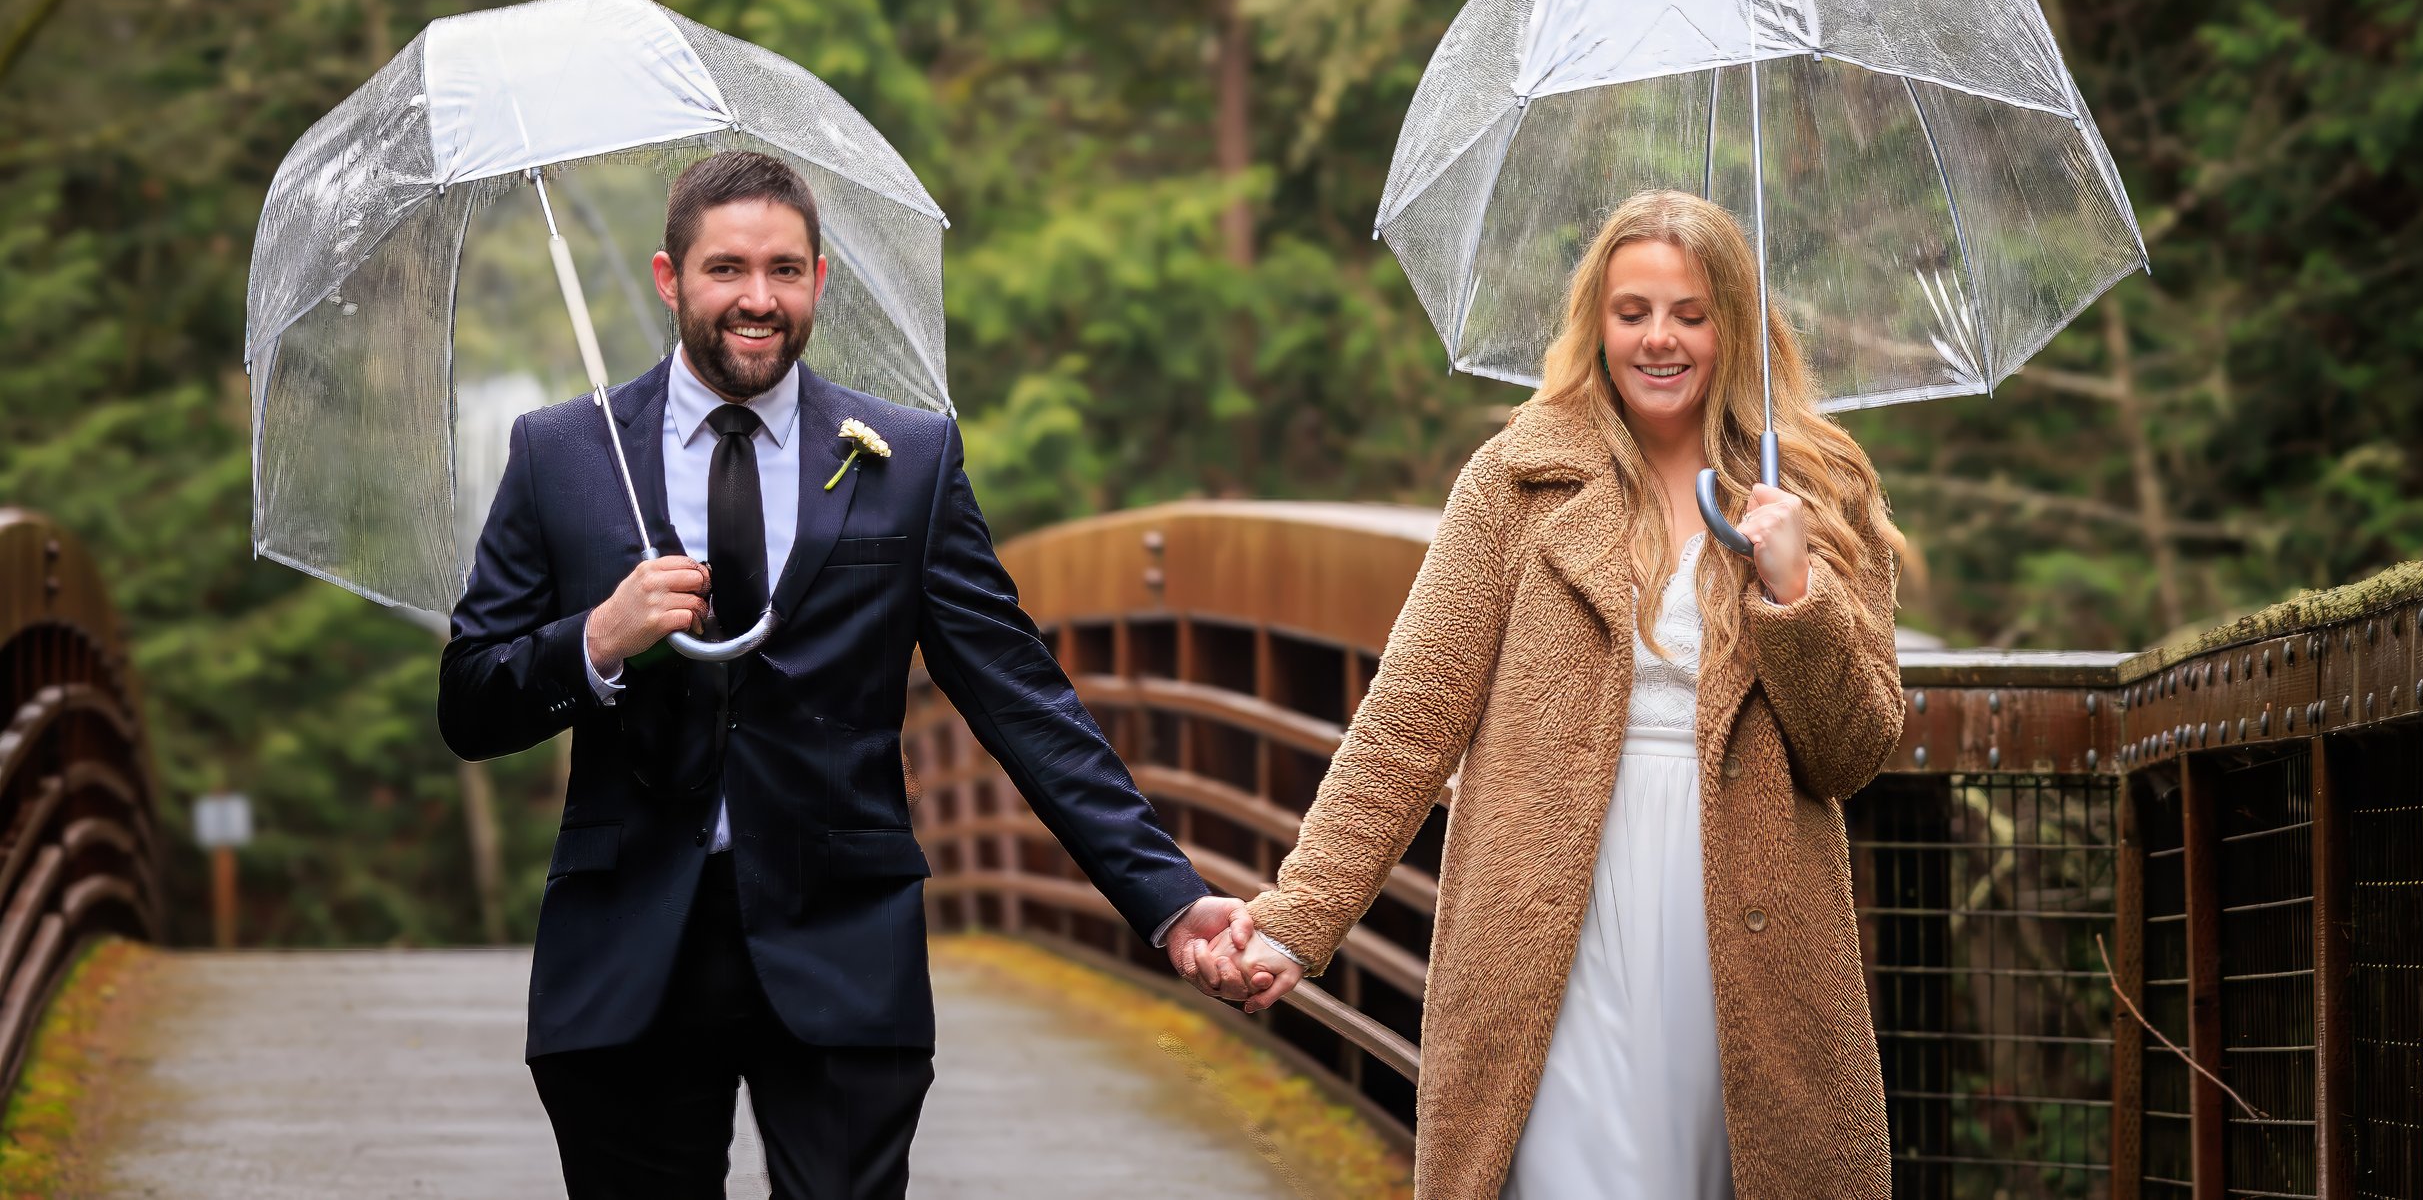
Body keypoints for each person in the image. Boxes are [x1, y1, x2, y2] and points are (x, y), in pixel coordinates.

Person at [440, 150, 1255, 1199]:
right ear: (667, 277)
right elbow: (470, 697)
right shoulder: (561, 451)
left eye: (784, 269)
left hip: (839, 941)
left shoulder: (906, 459)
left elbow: (1022, 697)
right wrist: (596, 636)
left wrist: (1168, 898)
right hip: (626, 949)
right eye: (726, 267)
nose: (757, 298)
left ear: (819, 280)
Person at [1192, 189, 1907, 1199]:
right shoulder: (1515, 481)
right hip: (1551, 920)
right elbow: (1408, 719)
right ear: (1598, 323)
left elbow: (1853, 750)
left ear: (1733, 325)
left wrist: (1797, 592)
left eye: (1690, 313)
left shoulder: (1821, 493)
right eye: (1632, 311)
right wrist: (1297, 917)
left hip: (1744, 927)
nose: (1659, 337)